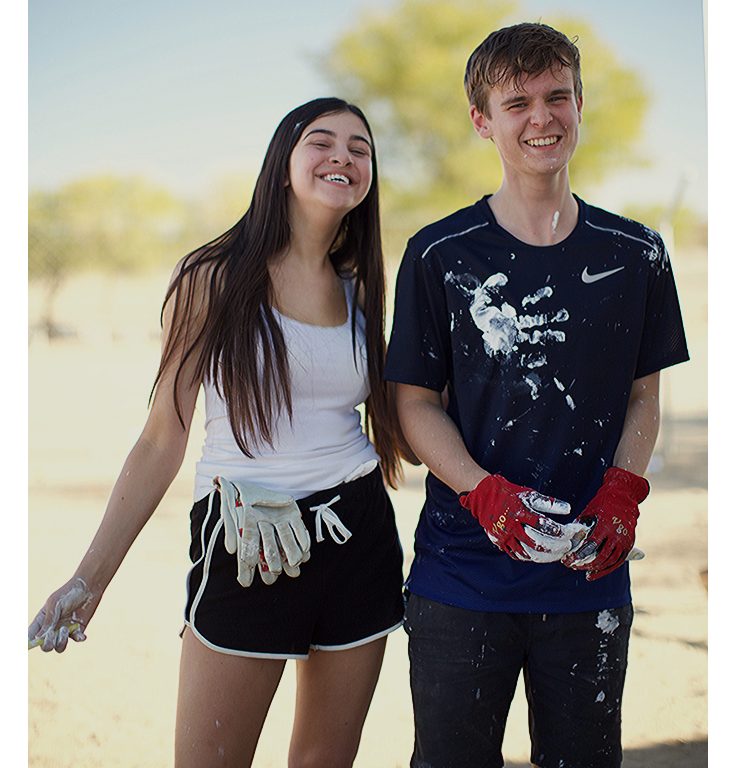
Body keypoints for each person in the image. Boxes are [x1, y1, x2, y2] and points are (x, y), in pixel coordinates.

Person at [28, 97, 408, 768]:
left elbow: (397, 418)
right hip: (248, 538)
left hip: (358, 534)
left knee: (326, 761)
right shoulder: (212, 276)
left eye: (360, 148)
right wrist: (89, 580)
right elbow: (160, 438)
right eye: (321, 141)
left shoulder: (359, 285)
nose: (342, 157)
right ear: (282, 162)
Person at [385, 22, 689, 768]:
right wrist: (481, 491)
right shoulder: (438, 253)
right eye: (516, 101)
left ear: (580, 106)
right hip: (460, 578)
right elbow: (413, 402)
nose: (540, 117)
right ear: (481, 120)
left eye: (557, 96)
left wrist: (623, 489)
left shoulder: (635, 253)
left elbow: (642, 398)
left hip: (586, 578)